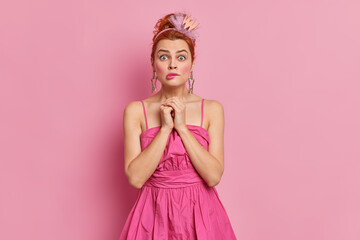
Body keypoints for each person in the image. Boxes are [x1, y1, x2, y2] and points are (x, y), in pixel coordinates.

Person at [119, 12, 237, 239]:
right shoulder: (136, 111)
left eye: (181, 57)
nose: (172, 64)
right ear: (153, 64)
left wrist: (182, 128)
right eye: (164, 57)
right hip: (152, 217)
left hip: (201, 215)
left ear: (192, 64)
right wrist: (165, 129)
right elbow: (135, 178)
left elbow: (213, 176)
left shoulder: (212, 109)